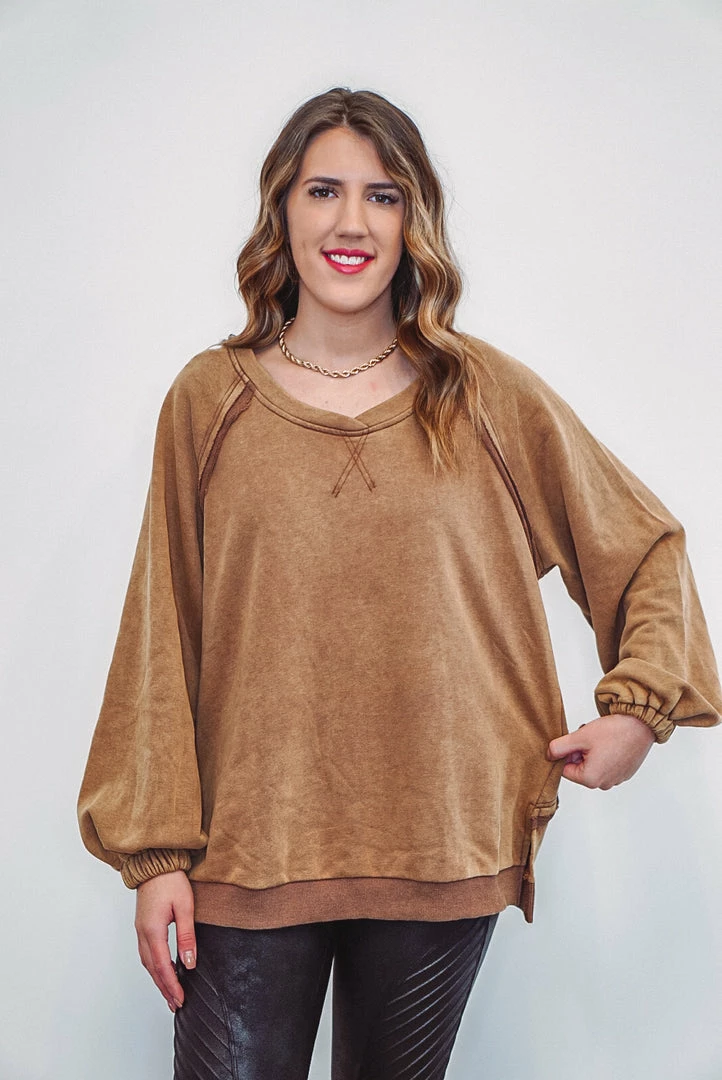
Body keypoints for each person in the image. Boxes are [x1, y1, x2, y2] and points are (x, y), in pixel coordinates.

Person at [77, 87, 722, 1079]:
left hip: (441, 849)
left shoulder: (485, 396)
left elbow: (643, 546)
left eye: (381, 196)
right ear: (280, 209)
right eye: (322, 191)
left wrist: (638, 711)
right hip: (245, 857)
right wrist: (155, 855)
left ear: (413, 218)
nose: (351, 222)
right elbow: (164, 633)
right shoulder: (208, 401)